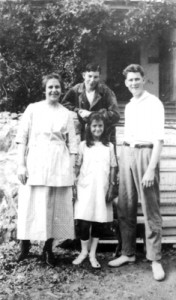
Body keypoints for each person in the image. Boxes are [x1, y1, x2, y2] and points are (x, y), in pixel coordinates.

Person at [108, 64, 165, 281]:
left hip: (146, 154)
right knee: (125, 206)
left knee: (150, 209)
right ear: (126, 83)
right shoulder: (130, 105)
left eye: (137, 79)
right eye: (130, 80)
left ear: (144, 79)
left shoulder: (154, 103)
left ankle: (155, 259)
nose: (133, 83)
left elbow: (159, 140)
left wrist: (150, 169)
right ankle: (128, 253)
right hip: (127, 153)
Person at [16, 73, 77, 267]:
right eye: (50, 87)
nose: (54, 90)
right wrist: (21, 164)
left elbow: (73, 144)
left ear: (62, 90)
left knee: (54, 206)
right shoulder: (33, 109)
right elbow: (22, 138)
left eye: (57, 87)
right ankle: (24, 245)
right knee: (30, 203)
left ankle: (48, 248)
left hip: (59, 163)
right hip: (35, 161)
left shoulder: (66, 114)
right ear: (44, 89)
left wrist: (72, 168)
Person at [72, 112, 117, 269]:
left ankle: (92, 254)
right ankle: (84, 251)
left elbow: (113, 167)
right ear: (88, 127)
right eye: (94, 126)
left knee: (98, 222)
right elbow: (77, 166)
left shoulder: (109, 146)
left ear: (104, 128)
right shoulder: (83, 145)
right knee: (84, 222)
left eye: (100, 126)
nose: (97, 129)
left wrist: (111, 185)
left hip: (101, 188)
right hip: (85, 187)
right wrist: (73, 183)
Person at [61, 63, 120, 143]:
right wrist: (78, 110)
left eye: (95, 77)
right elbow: (64, 104)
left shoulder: (106, 91)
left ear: (99, 77)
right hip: (84, 137)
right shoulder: (76, 89)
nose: (92, 80)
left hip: (103, 137)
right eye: (90, 76)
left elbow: (115, 115)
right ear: (84, 75)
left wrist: (91, 114)